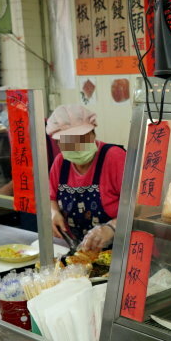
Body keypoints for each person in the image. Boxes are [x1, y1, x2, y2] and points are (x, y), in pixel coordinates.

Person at [46, 105, 126, 251]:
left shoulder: (115, 158)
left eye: (80, 138)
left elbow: (141, 207)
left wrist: (112, 227)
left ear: (93, 134)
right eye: (68, 141)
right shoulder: (60, 163)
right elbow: (51, 197)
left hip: (121, 250)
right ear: (58, 143)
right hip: (81, 250)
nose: (75, 146)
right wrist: (54, 213)